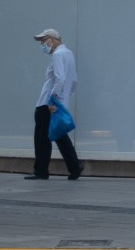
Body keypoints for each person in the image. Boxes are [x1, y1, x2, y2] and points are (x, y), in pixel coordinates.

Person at [27, 29, 83, 181]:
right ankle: (75, 166)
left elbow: (60, 78)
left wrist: (53, 98)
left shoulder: (58, 54)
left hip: (47, 102)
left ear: (53, 38)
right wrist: (65, 98)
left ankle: (41, 171)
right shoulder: (68, 53)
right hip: (58, 101)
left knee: (41, 137)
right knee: (58, 134)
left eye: (44, 40)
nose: (43, 44)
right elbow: (73, 80)